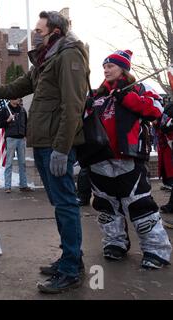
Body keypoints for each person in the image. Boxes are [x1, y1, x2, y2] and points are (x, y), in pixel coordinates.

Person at [0, 11, 89, 293]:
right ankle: (70, 258)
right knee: (60, 203)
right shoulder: (46, 58)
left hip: (56, 145)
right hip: (42, 142)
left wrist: (62, 149)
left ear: (56, 30)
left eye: (40, 30)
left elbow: (73, 105)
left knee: (65, 204)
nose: (35, 34)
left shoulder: (70, 55)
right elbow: (15, 87)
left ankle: (71, 268)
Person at [85, 49, 171, 268]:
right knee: (106, 206)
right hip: (100, 160)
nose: (106, 69)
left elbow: (156, 110)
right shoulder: (96, 95)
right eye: (104, 66)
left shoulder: (140, 89)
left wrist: (127, 97)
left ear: (122, 68)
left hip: (128, 159)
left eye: (110, 65)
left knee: (140, 205)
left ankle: (156, 251)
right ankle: (115, 244)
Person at [0, 98, 32, 193]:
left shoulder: (22, 110)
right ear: (11, 99)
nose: (18, 99)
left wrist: (25, 135)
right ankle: (7, 186)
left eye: (18, 98)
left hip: (21, 139)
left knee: (22, 163)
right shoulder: (5, 109)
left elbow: (26, 124)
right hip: (11, 138)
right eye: (16, 98)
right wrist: (7, 120)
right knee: (9, 163)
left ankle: (23, 185)